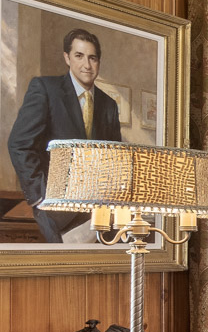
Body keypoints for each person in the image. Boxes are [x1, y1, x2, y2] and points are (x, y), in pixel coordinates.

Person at [8, 27, 123, 242]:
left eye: (93, 58)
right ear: (67, 58)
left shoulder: (108, 104)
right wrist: (39, 197)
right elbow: (19, 144)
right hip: (55, 210)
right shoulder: (45, 89)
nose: (87, 65)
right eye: (79, 56)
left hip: (97, 212)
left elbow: (114, 158)